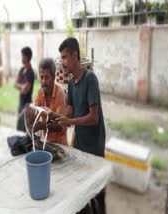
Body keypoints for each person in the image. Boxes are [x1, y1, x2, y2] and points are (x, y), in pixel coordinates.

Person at [55, 37, 106, 214]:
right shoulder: (71, 82)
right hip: (80, 146)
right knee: (82, 195)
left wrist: (70, 122)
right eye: (61, 58)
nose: (62, 62)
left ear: (75, 56)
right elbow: (69, 110)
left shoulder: (90, 79)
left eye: (64, 57)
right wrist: (56, 117)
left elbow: (94, 118)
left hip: (94, 149)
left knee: (98, 197)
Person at [32, 58, 67, 145]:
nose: (43, 81)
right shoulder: (40, 93)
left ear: (54, 77)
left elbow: (60, 126)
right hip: (45, 142)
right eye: (41, 77)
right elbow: (34, 112)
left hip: (60, 145)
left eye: (47, 77)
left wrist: (41, 126)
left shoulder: (60, 94)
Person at [14, 47, 35, 132]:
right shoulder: (22, 69)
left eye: (22, 56)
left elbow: (25, 90)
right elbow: (14, 84)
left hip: (27, 106)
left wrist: (20, 86)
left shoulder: (31, 72)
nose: (21, 58)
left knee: (24, 129)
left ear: (27, 57)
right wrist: (21, 86)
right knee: (19, 127)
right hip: (21, 104)